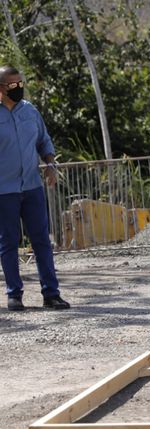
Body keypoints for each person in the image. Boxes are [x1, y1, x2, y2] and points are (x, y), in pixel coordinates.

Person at [0, 66, 70, 311]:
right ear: (0, 88)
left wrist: (50, 163)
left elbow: (44, 140)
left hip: (32, 187)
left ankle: (51, 294)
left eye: (21, 83)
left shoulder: (30, 111)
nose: (18, 88)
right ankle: (14, 295)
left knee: (41, 241)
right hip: (4, 191)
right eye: (12, 85)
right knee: (9, 242)